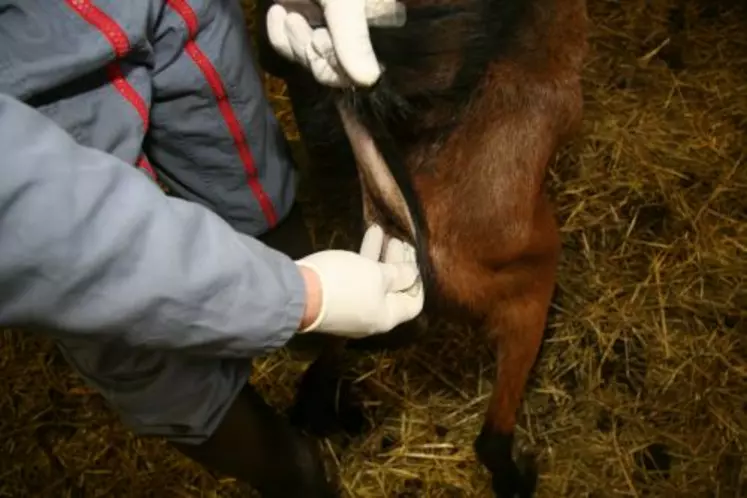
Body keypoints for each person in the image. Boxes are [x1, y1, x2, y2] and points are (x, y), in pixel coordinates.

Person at [0, 0, 422, 494]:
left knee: (246, 171)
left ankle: (317, 361)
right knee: (128, 331)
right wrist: (305, 297)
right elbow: (46, 224)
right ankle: (295, 472)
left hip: (172, 12)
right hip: (21, 84)